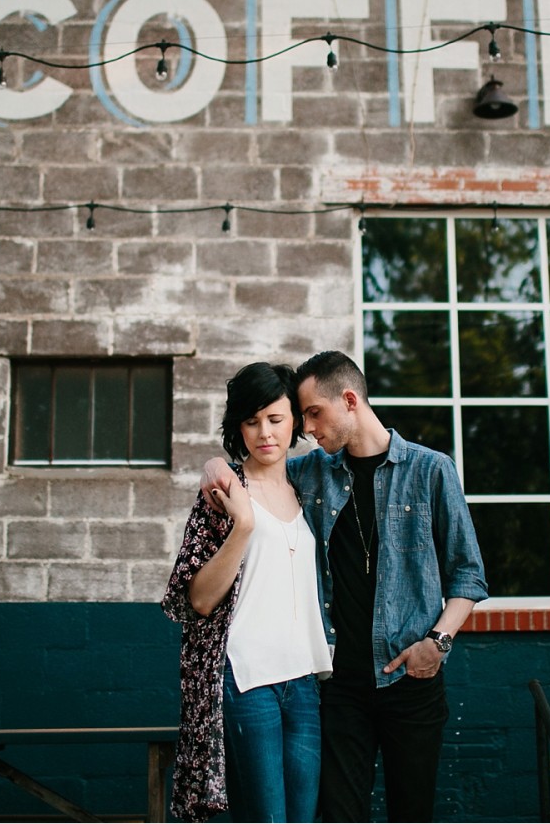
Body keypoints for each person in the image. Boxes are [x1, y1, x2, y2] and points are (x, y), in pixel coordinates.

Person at [203, 350, 488, 822]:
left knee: (411, 814)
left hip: (410, 680)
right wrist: (214, 464)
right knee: (337, 815)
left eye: (313, 413)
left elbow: (468, 574)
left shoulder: (432, 470)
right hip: (338, 689)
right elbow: (249, 470)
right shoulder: (308, 474)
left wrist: (437, 643)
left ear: (350, 400)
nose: (306, 428)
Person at [162, 362, 332, 823]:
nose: (264, 433)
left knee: (301, 818)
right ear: (238, 425)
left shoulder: (309, 485)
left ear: (295, 420)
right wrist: (245, 524)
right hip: (245, 676)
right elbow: (196, 599)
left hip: (303, 679)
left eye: (275, 419)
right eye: (252, 421)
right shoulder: (223, 492)